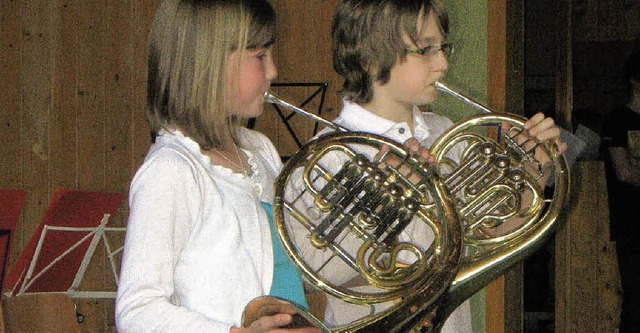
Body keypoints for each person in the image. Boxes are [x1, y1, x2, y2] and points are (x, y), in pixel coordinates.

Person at [283, 0, 567, 331]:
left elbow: (492, 228)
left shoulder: (443, 131)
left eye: (442, 47)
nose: (443, 63)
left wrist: (532, 172)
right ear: (372, 58)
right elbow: (318, 273)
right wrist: (383, 202)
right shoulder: (331, 155)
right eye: (426, 50)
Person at [115, 1, 320, 332]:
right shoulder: (172, 172)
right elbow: (136, 310)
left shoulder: (260, 151)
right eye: (260, 56)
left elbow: (305, 269)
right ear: (207, 65)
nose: (273, 71)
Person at [602, 49, 640, 333]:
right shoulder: (617, 120)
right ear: (635, 81)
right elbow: (624, 171)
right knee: (636, 299)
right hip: (632, 224)